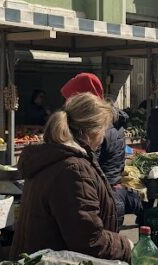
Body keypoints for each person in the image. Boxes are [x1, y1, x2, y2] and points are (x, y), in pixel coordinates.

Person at [11, 92, 132, 263]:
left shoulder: (57, 157)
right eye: (103, 130)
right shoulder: (73, 170)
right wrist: (126, 246)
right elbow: (89, 240)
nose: (104, 136)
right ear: (93, 131)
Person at [60, 72, 143, 221]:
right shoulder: (113, 121)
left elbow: (86, 167)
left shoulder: (99, 128)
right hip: (110, 193)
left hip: (100, 200)